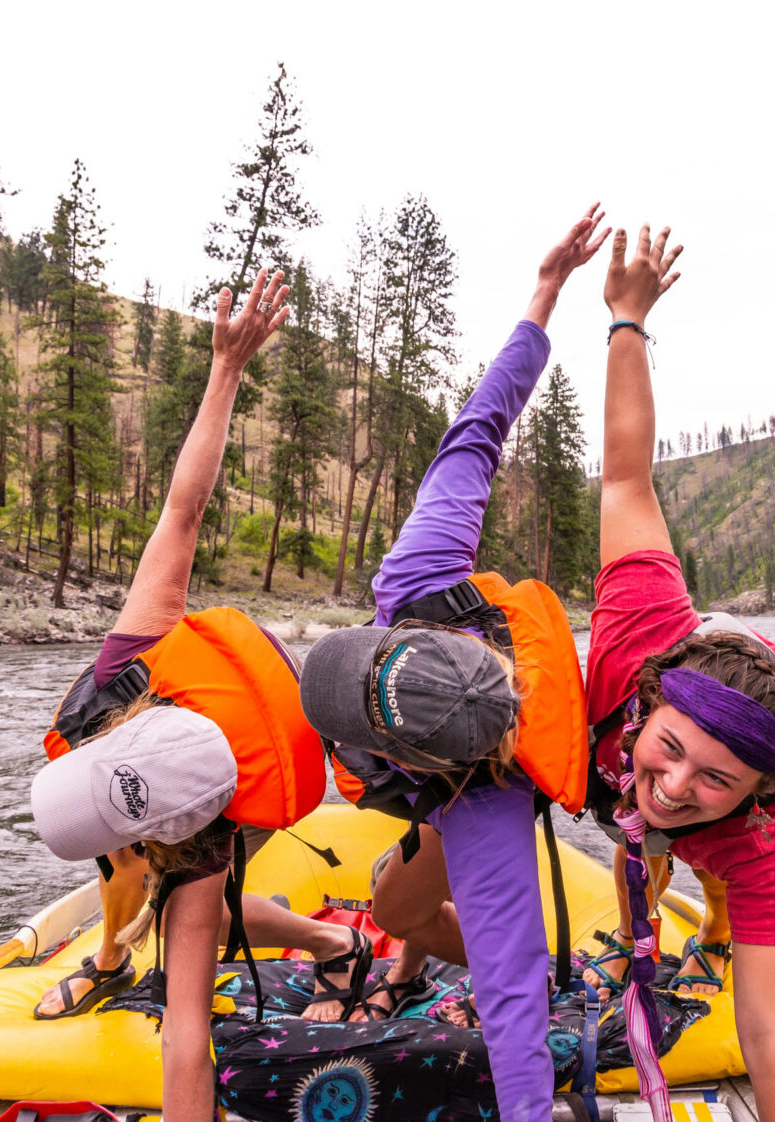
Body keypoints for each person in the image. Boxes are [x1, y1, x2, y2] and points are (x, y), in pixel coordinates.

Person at [28, 270, 368, 1122]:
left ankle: (320, 938)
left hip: (209, 802)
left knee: (189, 917)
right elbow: (184, 509)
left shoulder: (195, 828)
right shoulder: (139, 659)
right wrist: (224, 371)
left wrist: (226, 369)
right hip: (211, 770)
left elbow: (184, 509)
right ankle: (128, 951)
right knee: (183, 920)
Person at [298, 207, 609, 1122]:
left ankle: (415, 956)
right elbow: (478, 428)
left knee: (424, 921)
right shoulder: (419, 572)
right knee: (398, 913)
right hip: (467, 786)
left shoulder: (489, 799)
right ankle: (406, 958)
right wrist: (544, 296)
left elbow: (517, 1016)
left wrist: (548, 291)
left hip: (474, 799)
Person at [579, 225, 775, 1122]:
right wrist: (626, 318)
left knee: (703, 853)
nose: (677, 783)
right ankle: (642, 924)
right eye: (671, 750)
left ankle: (717, 921)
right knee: (637, 831)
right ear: (647, 707)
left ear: (758, 792)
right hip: (698, 660)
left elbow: (769, 1036)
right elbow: (625, 478)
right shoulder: (635, 632)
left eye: (714, 779)